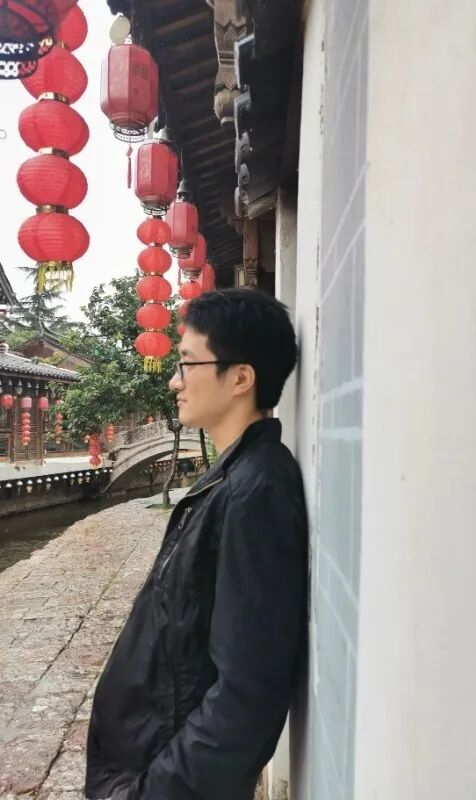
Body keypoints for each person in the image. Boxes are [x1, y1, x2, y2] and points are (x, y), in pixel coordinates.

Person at [85, 289, 308, 800]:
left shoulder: (256, 493)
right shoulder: (233, 475)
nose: (174, 381)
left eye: (187, 363)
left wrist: (153, 791)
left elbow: (246, 693)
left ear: (241, 378)